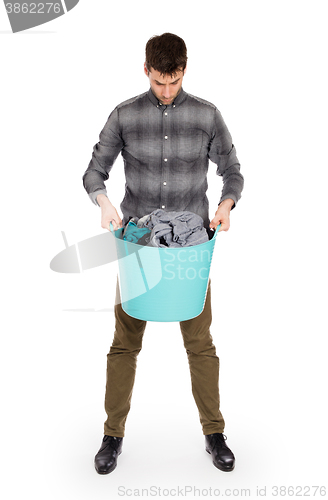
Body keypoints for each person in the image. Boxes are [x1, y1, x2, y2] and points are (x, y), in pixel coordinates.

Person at [82, 33, 244, 474]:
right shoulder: (124, 114)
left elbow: (231, 170)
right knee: (124, 343)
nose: (166, 91)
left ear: (184, 69)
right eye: (158, 82)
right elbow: (95, 171)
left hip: (191, 249)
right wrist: (104, 203)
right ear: (146, 72)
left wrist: (226, 206)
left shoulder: (207, 115)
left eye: (172, 82)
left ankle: (214, 432)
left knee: (200, 343)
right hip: (138, 246)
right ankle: (112, 435)